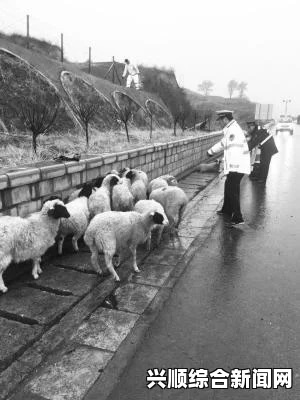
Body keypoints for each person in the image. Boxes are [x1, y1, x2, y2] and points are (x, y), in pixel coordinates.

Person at [207, 110, 251, 225]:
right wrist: (211, 151)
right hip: (236, 165)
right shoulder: (231, 129)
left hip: (236, 166)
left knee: (233, 190)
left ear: (225, 119)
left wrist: (230, 168)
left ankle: (238, 217)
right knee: (228, 186)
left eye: (220, 121)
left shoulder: (233, 131)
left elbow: (233, 152)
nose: (219, 123)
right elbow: (223, 143)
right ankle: (227, 210)